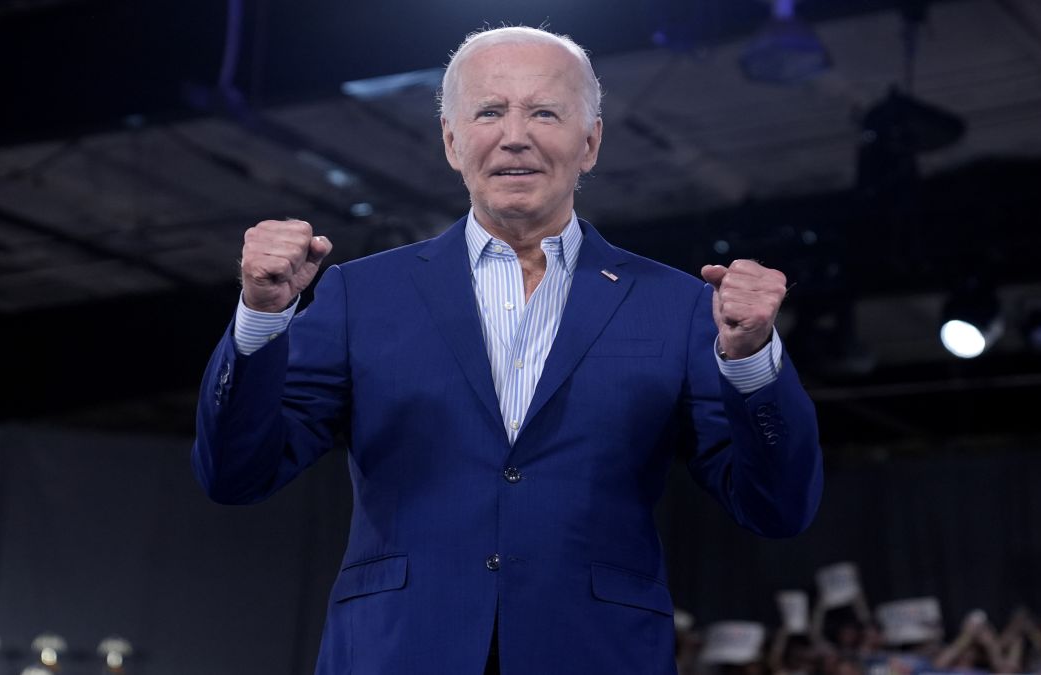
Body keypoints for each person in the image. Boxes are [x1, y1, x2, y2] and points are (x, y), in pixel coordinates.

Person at [191, 25, 824, 675]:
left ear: (591, 142)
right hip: (397, 651)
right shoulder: (362, 293)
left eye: (544, 112)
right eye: (489, 111)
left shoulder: (677, 304)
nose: (514, 135)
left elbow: (776, 508)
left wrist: (751, 360)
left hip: (595, 653)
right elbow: (237, 473)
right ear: (451, 140)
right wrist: (262, 318)